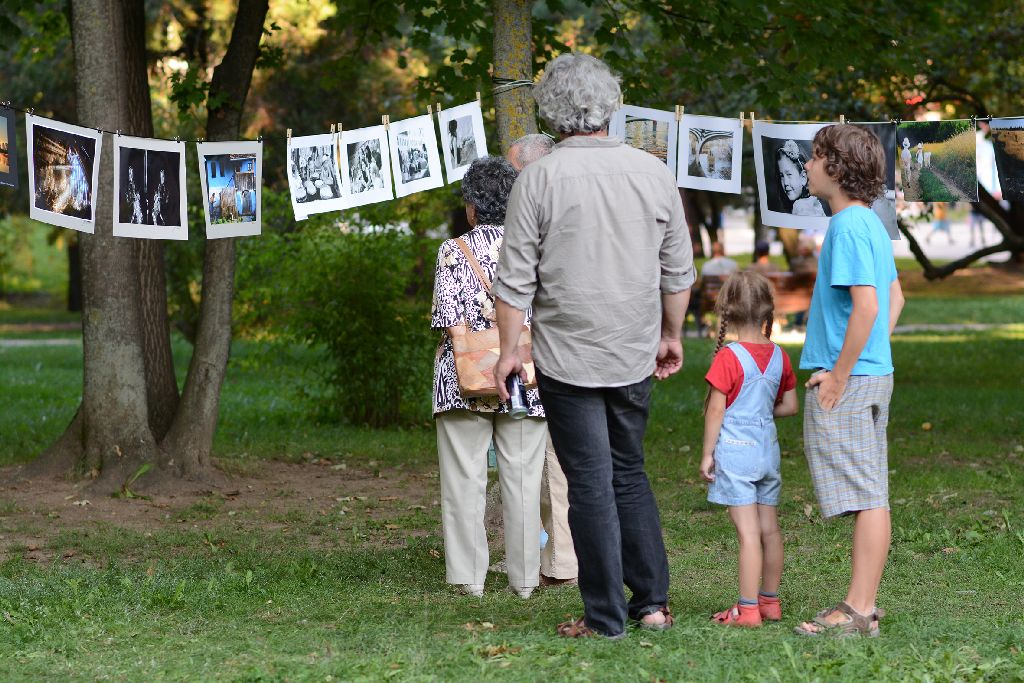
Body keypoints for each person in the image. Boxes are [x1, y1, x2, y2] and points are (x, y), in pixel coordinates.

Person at [492, 53, 695, 639]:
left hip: (568, 358)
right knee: (628, 472)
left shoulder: (539, 177)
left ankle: (605, 617)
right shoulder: (653, 172)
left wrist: (509, 351)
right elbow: (677, 272)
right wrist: (670, 335)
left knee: (589, 486)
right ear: (610, 104)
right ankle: (651, 604)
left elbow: (514, 281)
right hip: (632, 349)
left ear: (552, 110)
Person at [794, 124, 905, 637]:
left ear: (836, 168)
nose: (808, 167)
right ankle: (860, 608)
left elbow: (869, 305)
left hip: (854, 380)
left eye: (815, 158)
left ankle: (858, 612)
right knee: (870, 492)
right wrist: (871, 354)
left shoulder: (848, 226)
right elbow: (895, 299)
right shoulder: (870, 224)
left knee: (866, 495)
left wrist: (842, 373)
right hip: (868, 372)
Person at [431, 156, 547, 600]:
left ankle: (468, 579)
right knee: (522, 481)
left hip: (463, 379)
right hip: (528, 375)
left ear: (471, 207)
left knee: (464, 479)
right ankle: (523, 581)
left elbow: (449, 320)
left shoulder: (452, 252)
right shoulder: (535, 248)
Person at [700, 271, 798, 627]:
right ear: (767, 310)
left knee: (748, 534)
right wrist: (758, 411)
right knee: (769, 529)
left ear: (727, 309)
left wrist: (708, 453)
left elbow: (715, 410)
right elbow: (789, 407)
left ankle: (748, 610)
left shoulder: (729, 357)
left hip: (736, 452)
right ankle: (769, 602)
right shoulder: (780, 357)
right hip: (767, 450)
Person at [506, 132, 578, 588]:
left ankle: (565, 561)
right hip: (559, 346)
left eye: (516, 175)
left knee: (557, 462)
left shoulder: (547, 212)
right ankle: (551, 554)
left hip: (556, 347)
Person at [777, 140, 825, 216]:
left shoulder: (800, 207)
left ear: (803, 177)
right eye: (782, 176)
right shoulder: (812, 203)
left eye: (789, 174)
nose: (785, 182)